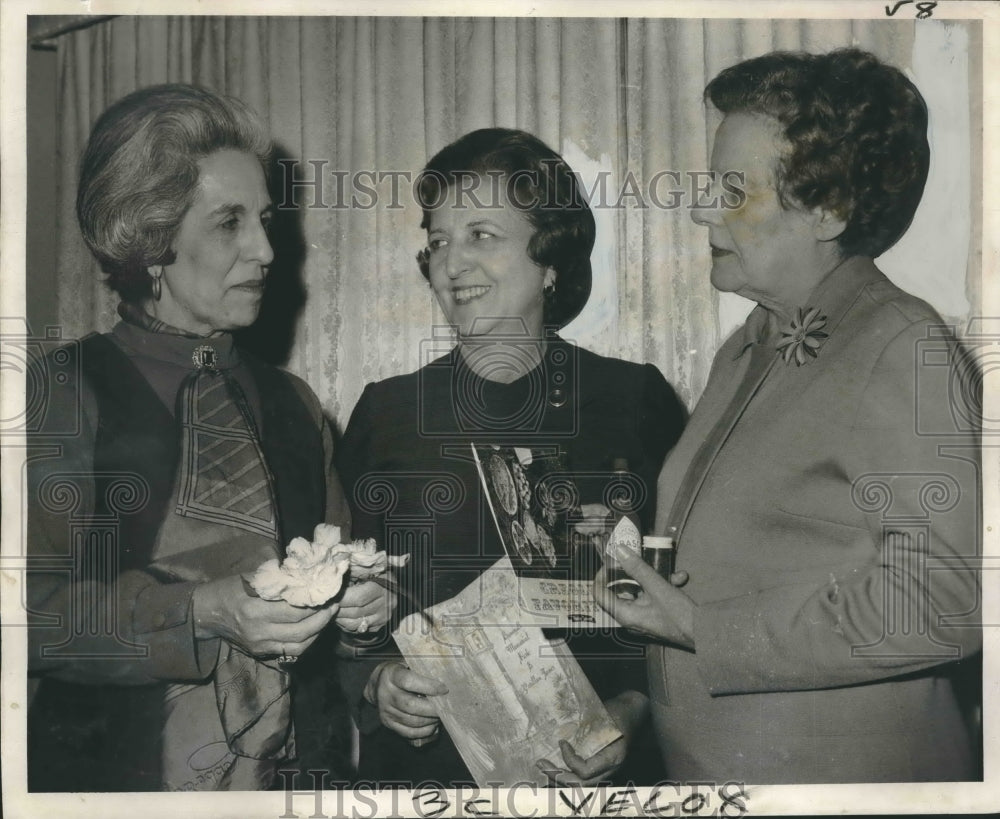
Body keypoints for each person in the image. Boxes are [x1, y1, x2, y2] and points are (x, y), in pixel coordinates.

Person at [595, 49, 982, 783]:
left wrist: (702, 628)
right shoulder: (744, 350)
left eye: (732, 189)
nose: (701, 207)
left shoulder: (902, 342)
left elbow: (945, 601)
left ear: (828, 209)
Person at [25, 84, 392, 792]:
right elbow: (24, 615)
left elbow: (345, 615)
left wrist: (365, 617)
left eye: (263, 219)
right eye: (229, 223)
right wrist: (197, 611)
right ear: (152, 237)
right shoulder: (59, 391)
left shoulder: (294, 402)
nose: (264, 249)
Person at [337, 127, 687, 786]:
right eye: (439, 240)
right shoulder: (387, 412)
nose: (451, 263)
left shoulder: (634, 400)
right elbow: (343, 607)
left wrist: (634, 711)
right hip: (426, 781)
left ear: (550, 258)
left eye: (482, 235)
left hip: (597, 776)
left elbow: (682, 600)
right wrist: (375, 680)